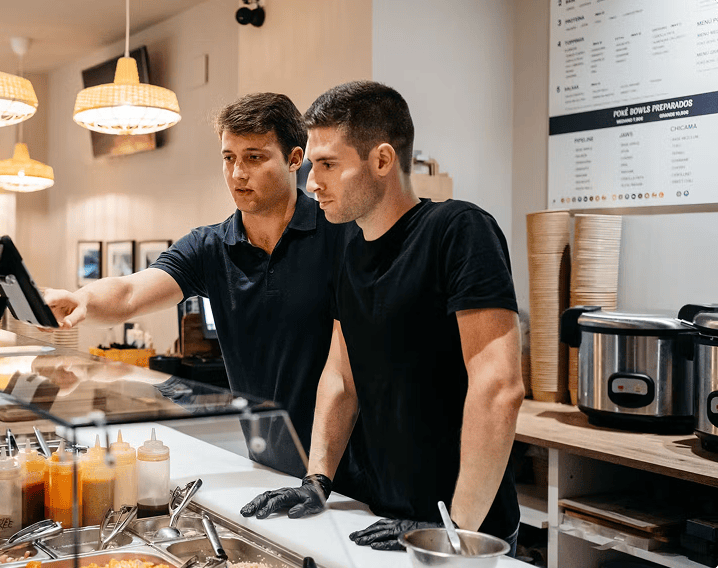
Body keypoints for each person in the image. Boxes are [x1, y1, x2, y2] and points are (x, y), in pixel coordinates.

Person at [240, 81, 525, 555]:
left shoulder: (459, 230)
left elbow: (499, 390)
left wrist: (453, 534)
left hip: (468, 533)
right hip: (381, 516)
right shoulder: (349, 249)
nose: (312, 183)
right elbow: (341, 377)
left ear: (382, 160)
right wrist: (317, 480)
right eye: (313, 166)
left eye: (329, 165)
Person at [43, 92, 360, 484]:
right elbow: (129, 293)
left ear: (295, 160)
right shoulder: (210, 246)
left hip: (349, 481)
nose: (237, 174)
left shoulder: (342, 236)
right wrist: (82, 299)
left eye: (255, 157)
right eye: (229, 158)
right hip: (268, 468)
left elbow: (349, 374)